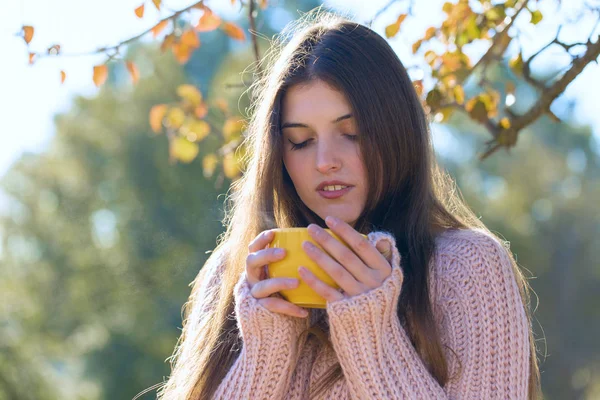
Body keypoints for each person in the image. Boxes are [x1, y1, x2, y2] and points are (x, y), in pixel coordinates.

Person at [156, 8, 542, 400]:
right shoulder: (234, 275)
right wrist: (264, 350)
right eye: (301, 140)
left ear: (396, 131)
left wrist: (372, 337)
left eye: (351, 132)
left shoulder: (467, 267)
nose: (325, 161)